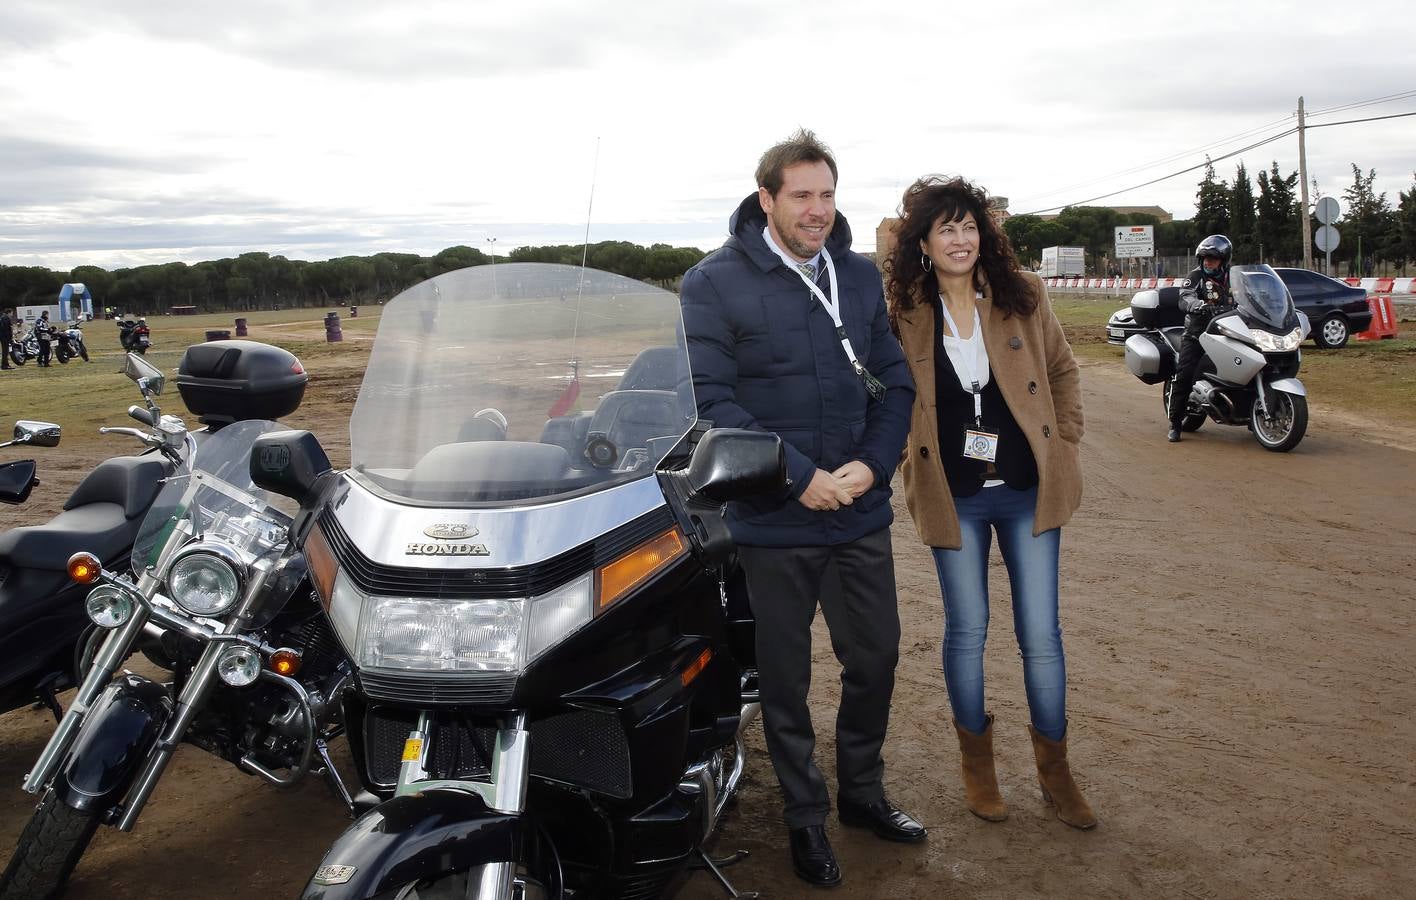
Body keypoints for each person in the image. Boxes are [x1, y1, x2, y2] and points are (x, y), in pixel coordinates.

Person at [679, 129, 921, 887]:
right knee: (785, 679)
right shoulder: (712, 284)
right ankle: (805, 818)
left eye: (827, 195)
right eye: (801, 196)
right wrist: (796, 476)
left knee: (874, 660)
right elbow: (713, 402)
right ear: (767, 200)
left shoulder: (856, 275)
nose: (817, 211)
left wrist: (872, 466)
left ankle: (863, 795)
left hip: (858, 510)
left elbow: (894, 382)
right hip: (773, 518)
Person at [884, 175, 1096, 830]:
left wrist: (1065, 437)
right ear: (923, 240)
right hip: (957, 496)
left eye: (969, 226)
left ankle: (1055, 773)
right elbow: (886, 396)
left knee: (1042, 635)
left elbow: (1061, 368)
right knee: (968, 631)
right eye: (945, 227)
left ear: (986, 235)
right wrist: (898, 459)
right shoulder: (904, 311)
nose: (960, 239)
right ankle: (979, 768)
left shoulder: (1022, 295)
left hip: (1029, 489)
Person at [1169, 235, 1234, 442]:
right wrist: (1197, 305)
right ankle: (1175, 423)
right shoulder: (1196, 276)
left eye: (1213, 258)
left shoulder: (1233, 277)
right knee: (1185, 373)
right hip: (1198, 334)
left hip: (1228, 332)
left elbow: (1252, 294)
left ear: (1223, 260)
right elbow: (1185, 296)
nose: (1208, 262)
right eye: (1205, 258)